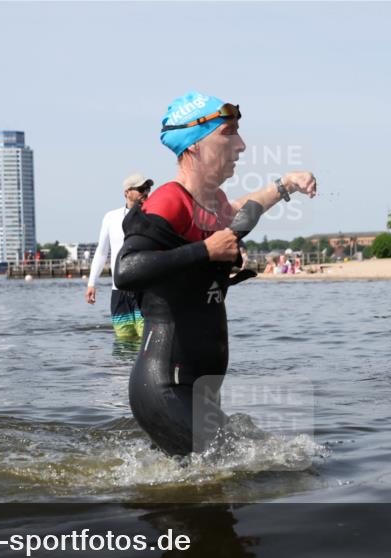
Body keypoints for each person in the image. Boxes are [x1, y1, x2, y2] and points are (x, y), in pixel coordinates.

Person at [114, 91, 316, 456]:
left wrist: (285, 186)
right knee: (253, 470)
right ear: (194, 145)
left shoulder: (214, 204)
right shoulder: (168, 200)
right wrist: (206, 250)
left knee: (208, 496)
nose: (240, 145)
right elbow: (126, 270)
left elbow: (242, 211)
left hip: (199, 385)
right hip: (165, 386)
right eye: (228, 133)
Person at [86, 174, 154, 338]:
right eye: (140, 189)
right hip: (119, 290)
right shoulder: (111, 217)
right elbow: (102, 252)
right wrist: (91, 283)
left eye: (147, 188)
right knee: (123, 342)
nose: (145, 192)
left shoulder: (153, 215)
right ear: (127, 192)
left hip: (144, 289)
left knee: (145, 340)